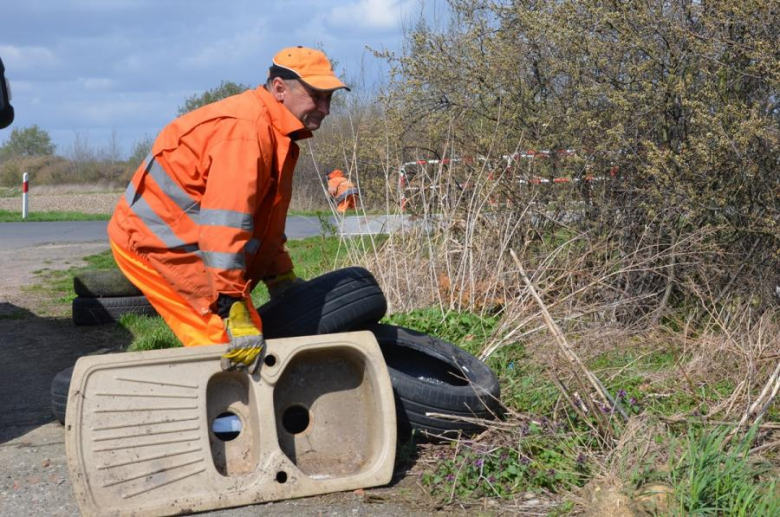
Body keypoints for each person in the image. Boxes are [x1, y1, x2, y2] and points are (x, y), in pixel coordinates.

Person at [108, 46, 349, 373]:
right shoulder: (245, 134)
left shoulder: (278, 133)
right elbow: (224, 228)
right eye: (316, 96)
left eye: (329, 98)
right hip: (156, 243)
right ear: (279, 88)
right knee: (230, 346)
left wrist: (280, 275)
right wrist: (231, 305)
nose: (325, 108)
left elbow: (265, 222)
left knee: (248, 337)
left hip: (191, 240)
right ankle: (220, 419)